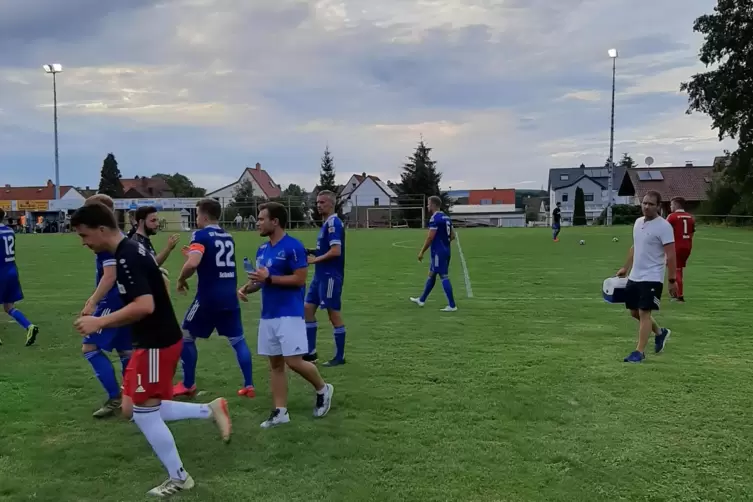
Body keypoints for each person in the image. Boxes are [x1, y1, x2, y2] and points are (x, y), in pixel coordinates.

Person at [71, 202, 231, 497]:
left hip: (156, 343)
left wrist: (99, 322)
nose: (84, 243)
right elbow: (157, 287)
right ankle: (210, 410)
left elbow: (145, 305)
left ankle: (180, 477)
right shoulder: (130, 249)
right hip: (150, 341)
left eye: (85, 236)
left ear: (102, 229)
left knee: (144, 413)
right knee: (131, 409)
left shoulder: (128, 255)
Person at [238, 202, 334, 428]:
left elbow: (299, 279)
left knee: (293, 361)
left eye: (261, 219)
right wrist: (245, 288)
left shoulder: (293, 247)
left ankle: (323, 389)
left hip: (289, 314)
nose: (258, 223)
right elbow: (260, 280)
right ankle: (280, 412)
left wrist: (269, 279)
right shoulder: (262, 249)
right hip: (268, 314)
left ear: (275, 222)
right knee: (275, 364)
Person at [173, 198, 254, 398]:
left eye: (197, 214)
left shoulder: (200, 235)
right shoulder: (228, 236)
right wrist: (194, 256)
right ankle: (249, 386)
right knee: (238, 340)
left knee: (185, 336)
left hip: (208, 297)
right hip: (229, 296)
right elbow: (214, 262)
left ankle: (188, 384)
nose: (196, 218)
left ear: (204, 215)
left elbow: (193, 263)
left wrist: (181, 278)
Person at [80, 195, 133, 418]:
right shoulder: (119, 237)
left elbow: (109, 276)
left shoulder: (104, 243)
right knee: (126, 350)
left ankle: (116, 397)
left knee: (90, 348)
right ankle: (133, 395)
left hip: (112, 301)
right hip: (125, 299)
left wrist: (92, 301)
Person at [617, 191, 676, 363]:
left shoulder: (664, 227)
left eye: (651, 204)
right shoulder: (637, 223)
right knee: (634, 312)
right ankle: (660, 332)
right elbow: (635, 247)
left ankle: (639, 352)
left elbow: (671, 255)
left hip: (652, 276)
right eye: (644, 203)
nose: (646, 207)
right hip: (635, 275)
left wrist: (672, 281)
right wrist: (625, 267)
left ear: (658, 206)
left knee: (644, 312)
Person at [304, 190, 347, 366]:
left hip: (330, 276)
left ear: (331, 204)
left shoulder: (334, 224)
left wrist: (315, 260)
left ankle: (339, 357)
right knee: (307, 309)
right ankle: (311, 353)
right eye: (317, 202)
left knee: (333, 314)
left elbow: (336, 251)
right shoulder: (326, 224)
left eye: (322, 202)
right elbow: (326, 249)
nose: (318, 205)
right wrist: (311, 251)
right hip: (320, 275)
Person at [410, 195, 457, 312]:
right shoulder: (446, 218)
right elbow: (452, 236)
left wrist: (421, 252)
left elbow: (430, 238)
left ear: (434, 205)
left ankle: (452, 305)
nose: (427, 206)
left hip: (438, 252)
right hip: (446, 250)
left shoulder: (434, 219)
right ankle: (421, 300)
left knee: (443, 276)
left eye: (428, 203)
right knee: (432, 274)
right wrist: (444, 243)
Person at [0, 208, 39, 347]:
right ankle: (29, 326)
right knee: (9, 306)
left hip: (1, 271)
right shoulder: (9, 231)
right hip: (11, 270)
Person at [666, 197, 695, 302]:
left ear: (676, 205)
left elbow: (663, 230)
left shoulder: (672, 217)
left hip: (676, 246)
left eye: (671, 205)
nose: (670, 207)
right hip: (687, 246)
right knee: (679, 269)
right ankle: (676, 292)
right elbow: (691, 233)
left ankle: (679, 295)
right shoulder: (690, 217)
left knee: (675, 270)